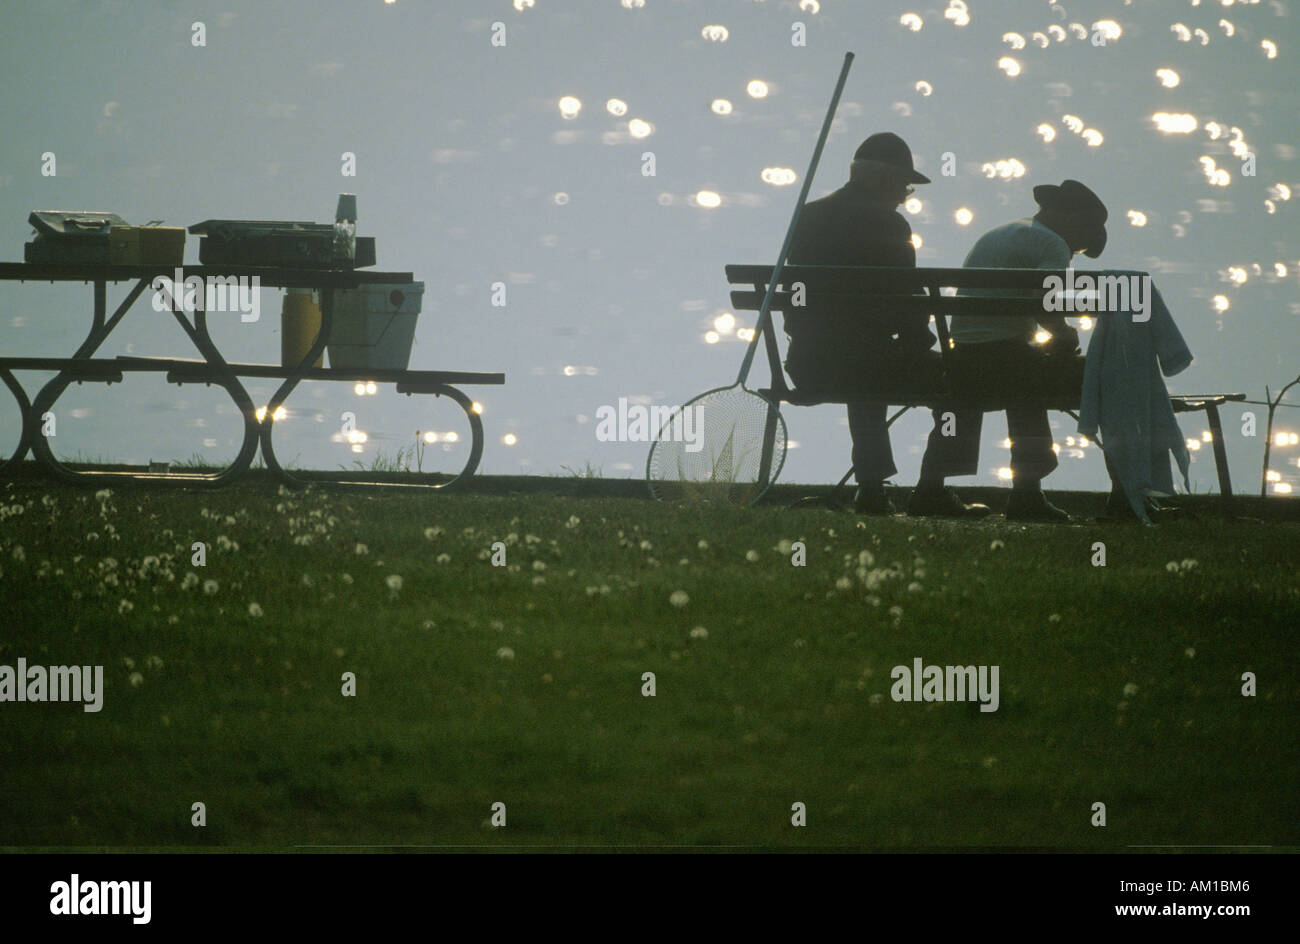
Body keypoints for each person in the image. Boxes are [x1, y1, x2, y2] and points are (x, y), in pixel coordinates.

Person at [785, 132, 987, 516]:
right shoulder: (889, 224)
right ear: (881, 179)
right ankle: (931, 488)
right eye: (904, 185)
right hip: (865, 363)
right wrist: (921, 345)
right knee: (963, 384)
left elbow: (796, 300)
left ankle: (872, 488)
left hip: (808, 364)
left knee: (865, 359)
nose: (905, 195)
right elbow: (906, 304)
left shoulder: (807, 215)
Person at [909, 179, 1111, 521]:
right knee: (1087, 377)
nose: (1075, 252)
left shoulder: (1002, 232)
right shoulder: (1053, 244)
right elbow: (1045, 306)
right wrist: (1065, 335)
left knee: (978, 393)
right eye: (1080, 245)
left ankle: (928, 489)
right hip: (1010, 365)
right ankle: (1027, 494)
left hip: (963, 360)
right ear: (1074, 222)